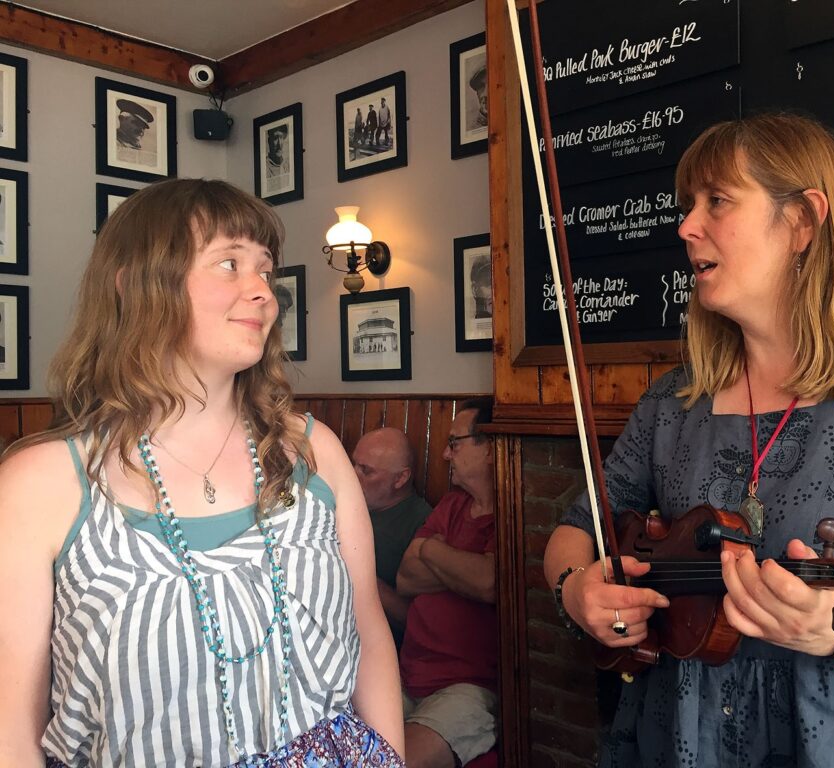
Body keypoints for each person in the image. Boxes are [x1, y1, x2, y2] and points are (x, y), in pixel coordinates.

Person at [543, 113, 834, 767]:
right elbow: (577, 528)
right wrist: (576, 589)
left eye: (717, 201)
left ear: (801, 221)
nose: (686, 227)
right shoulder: (670, 403)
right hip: (686, 736)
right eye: (688, 206)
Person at [0, 179, 405, 766]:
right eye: (229, 264)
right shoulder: (39, 483)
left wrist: (389, 756)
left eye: (265, 270)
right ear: (135, 287)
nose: (262, 291)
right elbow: (12, 724)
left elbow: (367, 630)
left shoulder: (316, 453)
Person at [397, 398, 498, 768]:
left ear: (489, 448)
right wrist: (459, 570)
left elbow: (489, 582)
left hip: (468, 688)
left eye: (454, 443)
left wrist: (432, 552)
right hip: (407, 677)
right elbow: (406, 579)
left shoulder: (511, 512)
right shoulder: (452, 505)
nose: (444, 454)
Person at [353, 428, 433, 650]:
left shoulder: (423, 523)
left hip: (376, 648)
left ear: (401, 478)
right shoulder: (348, 506)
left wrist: (354, 570)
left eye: (366, 471)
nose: (352, 475)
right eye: (353, 464)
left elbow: (414, 618)